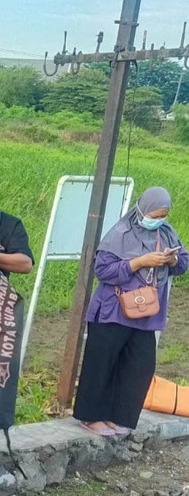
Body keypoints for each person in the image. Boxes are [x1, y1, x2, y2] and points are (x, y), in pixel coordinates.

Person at [74, 187, 187, 437]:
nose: (158, 220)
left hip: (147, 314)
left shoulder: (167, 233)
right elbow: (102, 270)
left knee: (139, 367)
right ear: (143, 209)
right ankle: (91, 417)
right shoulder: (121, 233)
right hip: (113, 310)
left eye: (163, 215)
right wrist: (139, 262)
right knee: (102, 364)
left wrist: (172, 260)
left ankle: (120, 417)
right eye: (155, 215)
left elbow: (183, 263)